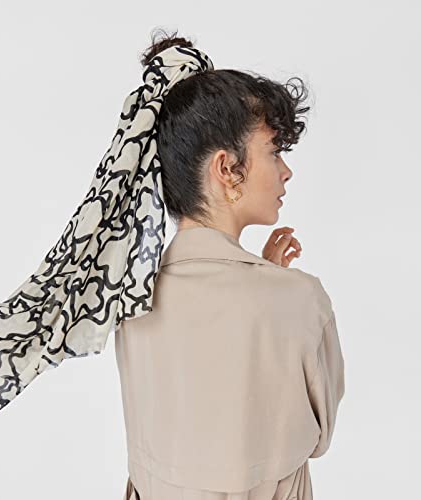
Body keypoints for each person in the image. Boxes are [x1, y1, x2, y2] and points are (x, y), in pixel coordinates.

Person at [115, 30, 345, 500]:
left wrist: (262, 275)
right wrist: (273, 287)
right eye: (274, 152)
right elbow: (317, 436)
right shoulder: (298, 300)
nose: (286, 171)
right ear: (226, 169)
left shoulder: (130, 301)